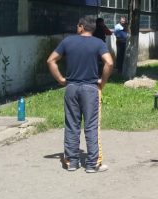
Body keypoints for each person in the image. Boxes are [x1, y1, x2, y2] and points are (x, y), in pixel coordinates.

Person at [47, 16, 114, 172]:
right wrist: (103, 81)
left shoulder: (68, 42)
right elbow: (109, 62)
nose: (77, 27)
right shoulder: (98, 43)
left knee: (72, 125)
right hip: (90, 89)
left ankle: (72, 162)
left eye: (78, 25)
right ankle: (92, 164)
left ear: (82, 27)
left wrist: (61, 79)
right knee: (91, 126)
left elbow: (51, 60)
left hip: (71, 88)